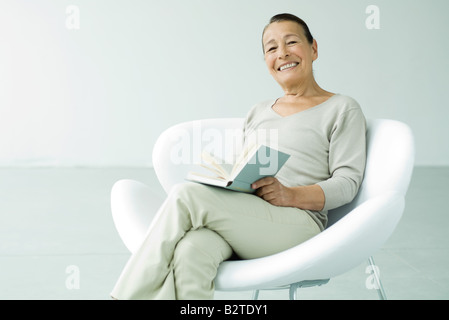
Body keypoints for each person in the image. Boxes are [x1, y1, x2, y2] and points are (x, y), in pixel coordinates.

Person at [110, 13, 366, 300]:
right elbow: (243, 168)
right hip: (247, 217)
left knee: (186, 196)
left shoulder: (341, 108)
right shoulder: (258, 111)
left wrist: (290, 195)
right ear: (268, 63)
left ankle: (125, 296)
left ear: (313, 49)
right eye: (271, 48)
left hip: (299, 224)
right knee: (191, 249)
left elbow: (347, 182)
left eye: (291, 42)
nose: (282, 53)